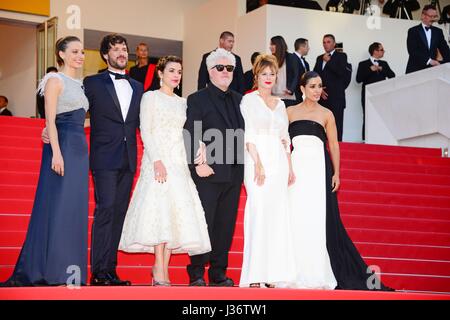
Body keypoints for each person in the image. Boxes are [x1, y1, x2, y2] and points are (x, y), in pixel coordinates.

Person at [287, 71, 393, 291]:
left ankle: (317, 269)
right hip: (296, 169)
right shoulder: (289, 112)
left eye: (320, 86)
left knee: (317, 217)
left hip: (318, 169)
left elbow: (333, 145)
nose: (317, 90)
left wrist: (337, 173)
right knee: (296, 215)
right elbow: (282, 142)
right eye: (313, 86)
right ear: (302, 88)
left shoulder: (327, 114)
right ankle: (292, 269)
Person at [1, 36, 89, 286]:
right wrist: (57, 152)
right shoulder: (53, 80)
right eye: (74, 51)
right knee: (57, 206)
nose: (79, 56)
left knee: (73, 210)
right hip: (61, 149)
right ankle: (50, 271)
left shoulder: (80, 85)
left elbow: (79, 119)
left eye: (82, 52)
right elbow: (49, 119)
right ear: (61, 54)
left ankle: (69, 272)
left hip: (79, 150)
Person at [119, 56, 211, 286]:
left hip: (178, 161)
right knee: (159, 211)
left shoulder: (182, 103)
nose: (176, 75)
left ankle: (162, 267)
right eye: (171, 70)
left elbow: (187, 131)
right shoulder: (150, 97)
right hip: (158, 159)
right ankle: (159, 268)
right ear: (160, 73)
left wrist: (200, 145)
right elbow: (146, 130)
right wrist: (156, 160)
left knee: (173, 215)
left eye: (179, 71)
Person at [83, 34, 144, 286]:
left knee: (119, 213)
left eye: (124, 48)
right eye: (115, 49)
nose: (121, 52)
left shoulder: (138, 87)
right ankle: (98, 272)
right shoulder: (92, 82)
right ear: (105, 55)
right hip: (104, 157)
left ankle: (110, 270)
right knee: (106, 209)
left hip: (128, 158)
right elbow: (76, 107)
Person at [184, 48, 245, 287]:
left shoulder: (241, 100)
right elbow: (191, 132)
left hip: (234, 172)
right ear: (210, 71)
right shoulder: (197, 98)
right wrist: (198, 164)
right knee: (203, 222)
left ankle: (218, 273)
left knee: (226, 225)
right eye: (220, 67)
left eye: (229, 68)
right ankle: (197, 272)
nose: (225, 72)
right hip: (207, 172)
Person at [239, 54, 297, 288]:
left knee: (276, 217)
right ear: (256, 76)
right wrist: (258, 163)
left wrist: (290, 167)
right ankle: (255, 276)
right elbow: (248, 133)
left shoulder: (281, 104)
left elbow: (285, 138)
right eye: (264, 74)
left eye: (272, 74)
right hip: (257, 159)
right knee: (258, 213)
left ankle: (273, 274)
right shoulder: (249, 101)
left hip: (280, 162)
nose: (268, 78)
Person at [356, 42, 395, 141]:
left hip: (382, 96)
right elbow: (358, 79)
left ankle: (382, 139)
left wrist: (382, 69)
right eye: (382, 50)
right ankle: (366, 140)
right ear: (375, 51)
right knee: (367, 117)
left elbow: (392, 76)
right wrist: (370, 70)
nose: (384, 52)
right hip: (367, 96)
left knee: (382, 118)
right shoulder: (363, 64)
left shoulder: (384, 64)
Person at [313, 34, 348, 142]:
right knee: (320, 123)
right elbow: (315, 75)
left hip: (336, 97)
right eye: (324, 42)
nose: (325, 44)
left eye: (328, 42)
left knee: (337, 124)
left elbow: (341, 72)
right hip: (321, 96)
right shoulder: (319, 58)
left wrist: (329, 61)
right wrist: (319, 89)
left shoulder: (341, 56)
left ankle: (338, 147)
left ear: (334, 43)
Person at [405, 5, 450, 74]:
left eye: (434, 16)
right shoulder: (413, 31)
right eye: (431, 16)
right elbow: (412, 51)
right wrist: (430, 61)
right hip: (415, 70)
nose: (433, 19)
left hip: (432, 71)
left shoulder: (438, 32)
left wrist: (447, 63)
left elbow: (445, 50)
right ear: (423, 15)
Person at [270, 35, 299, 107]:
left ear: (279, 45)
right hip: (273, 96)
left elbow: (296, 75)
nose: (270, 47)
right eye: (270, 44)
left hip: (287, 97)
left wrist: (291, 89)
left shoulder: (291, 57)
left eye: (272, 44)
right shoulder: (271, 59)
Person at [293, 38, 311, 103]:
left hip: (302, 97)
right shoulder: (291, 59)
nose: (309, 48)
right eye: (307, 46)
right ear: (301, 47)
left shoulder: (306, 63)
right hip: (293, 98)